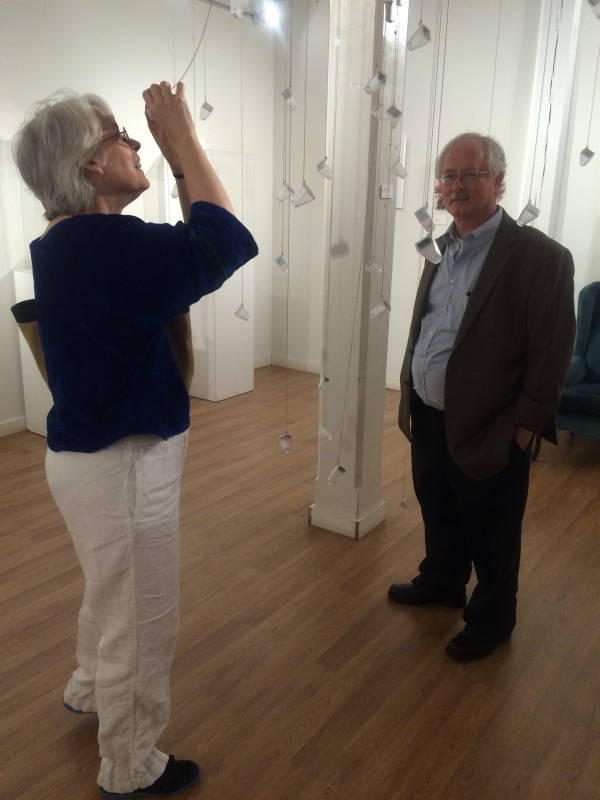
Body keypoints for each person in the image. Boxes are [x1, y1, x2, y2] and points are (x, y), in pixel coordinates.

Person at [12, 81, 258, 797]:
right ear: (88, 166)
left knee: (109, 591)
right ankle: (128, 765)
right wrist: (182, 138)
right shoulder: (107, 245)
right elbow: (228, 241)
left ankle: (89, 687)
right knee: (142, 618)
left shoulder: (71, 243)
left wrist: (178, 160)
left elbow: (195, 247)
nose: (135, 141)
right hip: (122, 463)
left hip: (89, 458)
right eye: (120, 134)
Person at [388, 132, 575, 662]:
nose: (456, 185)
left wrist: (523, 429)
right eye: (448, 176)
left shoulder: (542, 258)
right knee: (439, 508)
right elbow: (428, 324)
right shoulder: (439, 246)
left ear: (498, 180)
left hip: (492, 426)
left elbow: (551, 352)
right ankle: (443, 581)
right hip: (427, 415)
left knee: (492, 532)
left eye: (470, 174)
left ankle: (492, 619)